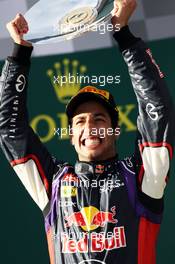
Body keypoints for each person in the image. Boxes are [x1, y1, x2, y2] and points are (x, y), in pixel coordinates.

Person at [0, 0, 174, 263]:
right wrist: (20, 54)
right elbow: (10, 132)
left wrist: (123, 36)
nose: (89, 127)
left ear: (116, 130)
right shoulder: (52, 185)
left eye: (99, 119)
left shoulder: (140, 178)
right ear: (71, 136)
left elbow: (158, 112)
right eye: (79, 122)